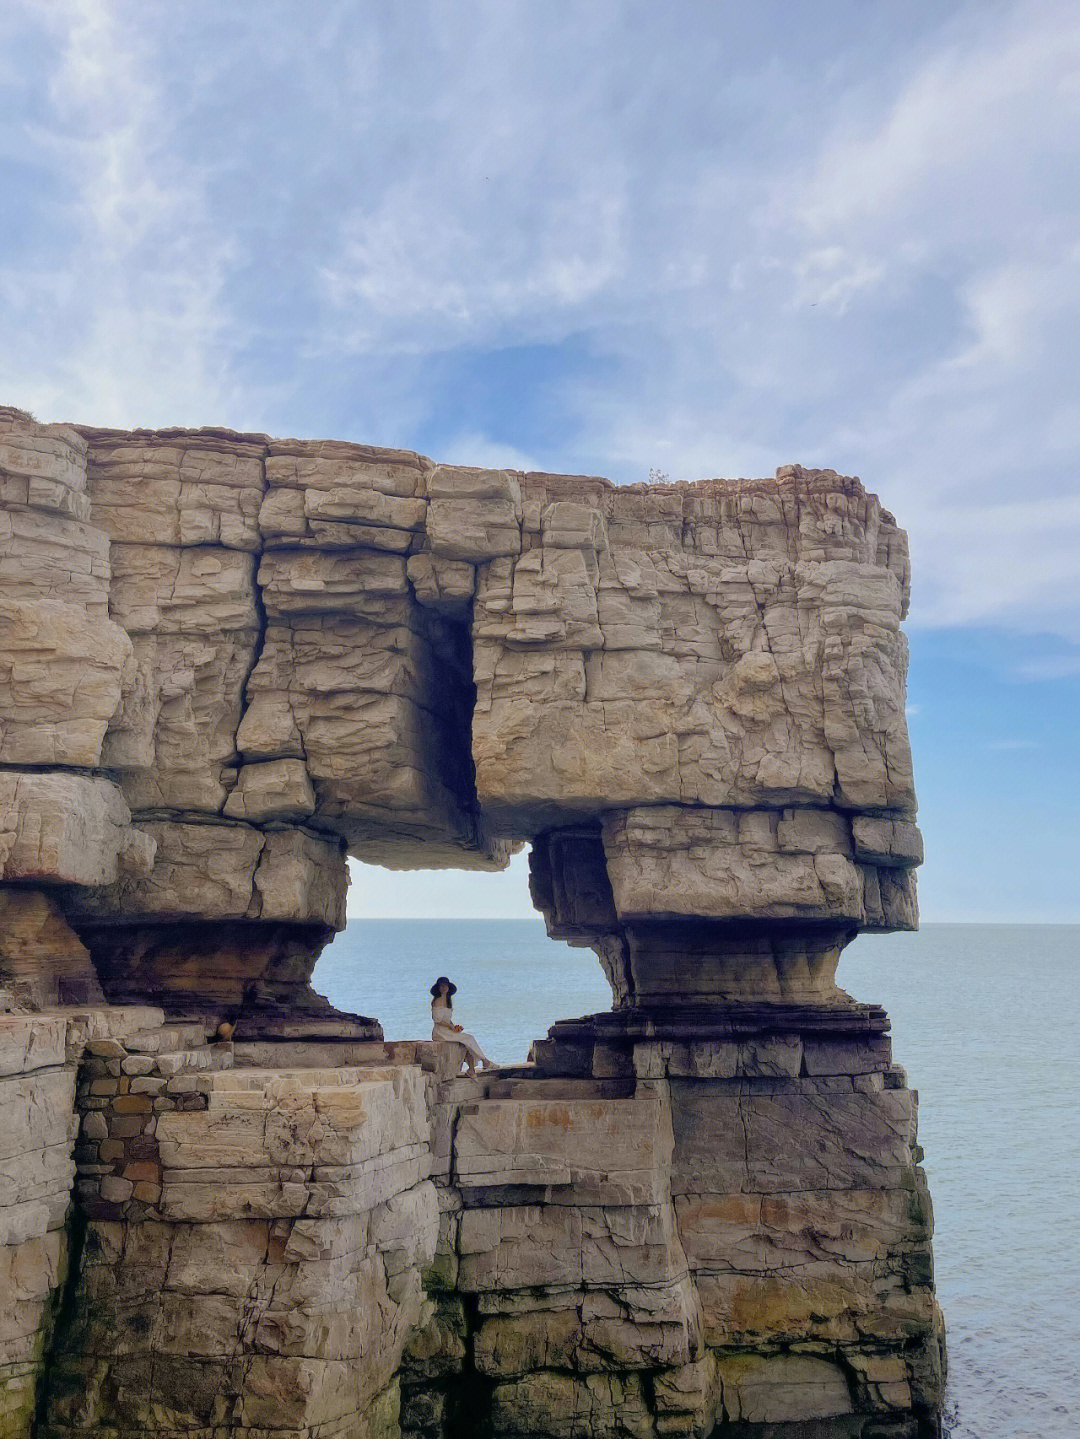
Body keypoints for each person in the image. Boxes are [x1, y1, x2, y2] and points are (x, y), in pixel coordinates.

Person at [430, 976, 492, 1076]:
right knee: (469, 1038)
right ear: (438, 988)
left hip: (447, 1030)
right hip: (440, 1032)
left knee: (466, 1043)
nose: (444, 988)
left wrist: (454, 1027)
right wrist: (450, 1027)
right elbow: (437, 1020)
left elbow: (447, 1020)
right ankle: (485, 1061)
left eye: (445, 986)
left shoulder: (448, 1001)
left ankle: (471, 1069)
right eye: (441, 986)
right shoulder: (437, 1001)